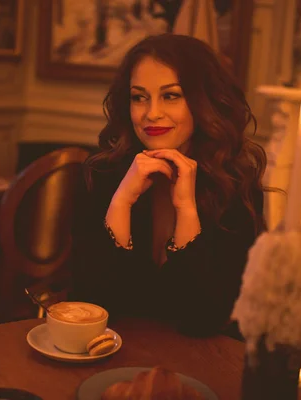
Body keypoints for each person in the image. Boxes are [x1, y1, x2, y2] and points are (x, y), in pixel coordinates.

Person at [69, 33, 267, 338]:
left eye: (171, 95)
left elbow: (206, 318)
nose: (151, 113)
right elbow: (88, 306)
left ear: (203, 102)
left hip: (200, 368)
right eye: (139, 97)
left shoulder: (236, 189)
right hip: (113, 358)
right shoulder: (102, 174)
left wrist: (186, 209)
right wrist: (121, 202)